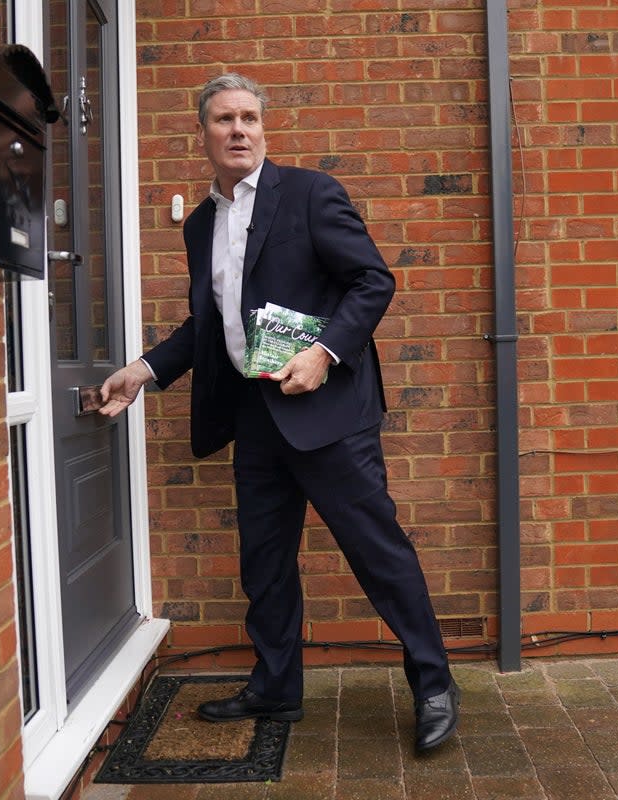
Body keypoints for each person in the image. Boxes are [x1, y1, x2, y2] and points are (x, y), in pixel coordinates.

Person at [97, 73, 458, 753]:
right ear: (202, 133)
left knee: (377, 552)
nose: (239, 130)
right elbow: (206, 325)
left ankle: (434, 681)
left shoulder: (310, 194)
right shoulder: (202, 222)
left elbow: (373, 280)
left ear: (264, 127)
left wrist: (323, 352)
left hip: (327, 413)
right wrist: (144, 371)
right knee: (263, 561)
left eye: (250, 118)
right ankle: (276, 686)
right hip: (255, 414)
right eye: (225, 120)